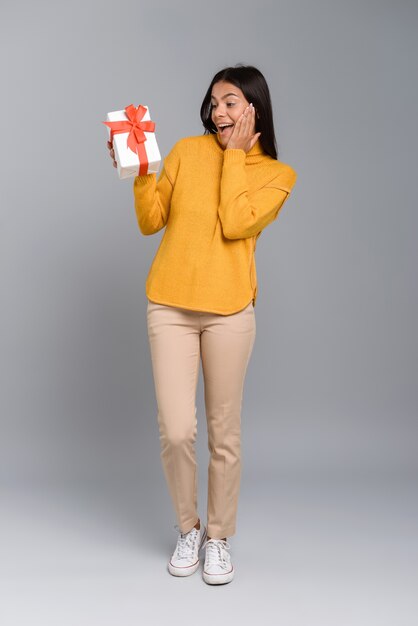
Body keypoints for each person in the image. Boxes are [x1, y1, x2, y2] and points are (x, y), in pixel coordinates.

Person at [107, 64, 297, 585]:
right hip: (169, 304)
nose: (219, 112)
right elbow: (151, 221)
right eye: (214, 103)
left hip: (231, 312)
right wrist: (141, 168)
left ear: (255, 107)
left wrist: (235, 156)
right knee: (176, 429)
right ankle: (188, 527)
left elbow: (235, 222)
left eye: (232, 102)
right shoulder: (189, 152)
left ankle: (218, 536)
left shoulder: (278, 176)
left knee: (224, 434)